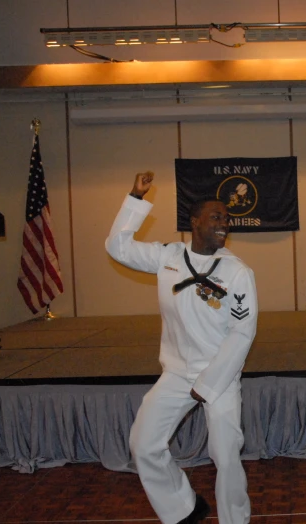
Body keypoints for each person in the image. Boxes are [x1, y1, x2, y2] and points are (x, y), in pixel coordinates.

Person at [106, 172, 257, 524]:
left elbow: (242, 333)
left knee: (226, 456)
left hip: (219, 376)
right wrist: (135, 198)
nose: (225, 224)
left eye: (227, 219)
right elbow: (117, 246)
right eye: (217, 217)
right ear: (194, 221)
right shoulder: (167, 257)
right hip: (175, 373)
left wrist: (208, 384)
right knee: (143, 445)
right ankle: (183, 510)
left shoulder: (237, 272)